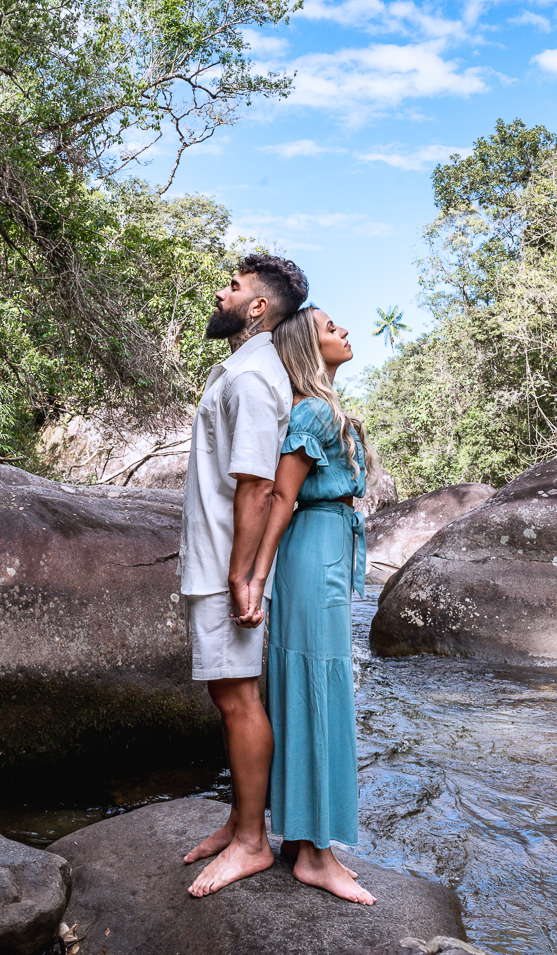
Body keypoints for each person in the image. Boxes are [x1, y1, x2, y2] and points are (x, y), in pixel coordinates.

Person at [238, 304, 378, 905]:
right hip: (309, 552)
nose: (343, 331)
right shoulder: (315, 411)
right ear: (306, 347)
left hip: (323, 549)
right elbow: (280, 497)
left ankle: (301, 837)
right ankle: (316, 855)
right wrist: (255, 577)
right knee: (318, 689)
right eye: (330, 327)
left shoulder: (327, 411)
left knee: (310, 686)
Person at [179, 251, 309, 897]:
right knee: (226, 697)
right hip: (210, 563)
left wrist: (241, 578)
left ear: (257, 307)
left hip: (223, 570)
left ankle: (253, 844)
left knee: (238, 701)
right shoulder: (241, 369)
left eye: (232, 287)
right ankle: (239, 822)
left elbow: (257, 486)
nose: (220, 293)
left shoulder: (256, 379)